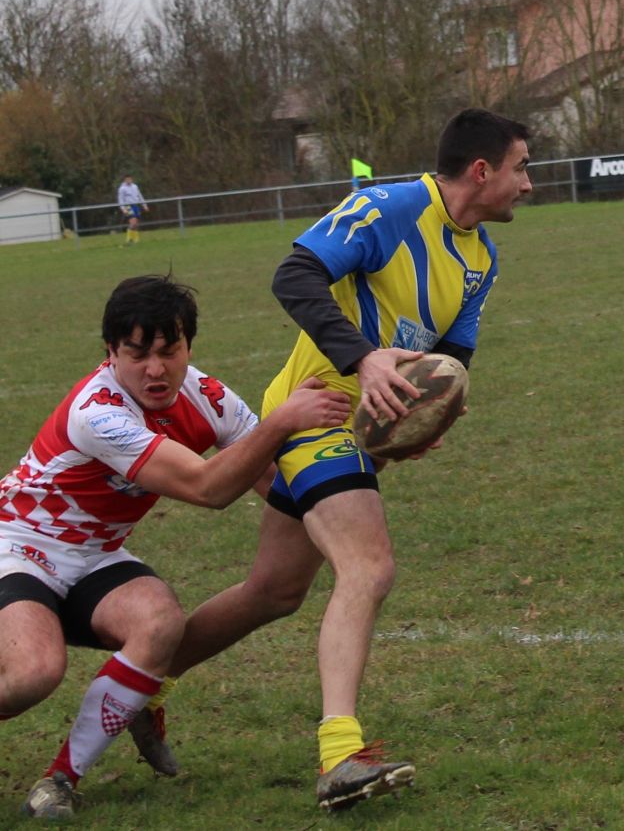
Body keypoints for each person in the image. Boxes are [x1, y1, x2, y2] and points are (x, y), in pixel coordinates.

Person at [131, 108, 531, 812]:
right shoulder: (389, 206)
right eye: (521, 168)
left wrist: (429, 410)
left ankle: (144, 685)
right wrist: (363, 358)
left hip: (359, 433)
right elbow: (294, 275)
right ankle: (340, 754)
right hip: (313, 418)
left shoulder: (480, 259)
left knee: (273, 592)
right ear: (482, 170)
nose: (528, 184)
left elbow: (451, 358)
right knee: (369, 566)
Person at [0, 275, 349, 820]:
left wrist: (366, 462)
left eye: (170, 351)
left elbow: (275, 484)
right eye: (137, 354)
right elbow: (209, 489)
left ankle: (60, 782)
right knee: (32, 674)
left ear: (188, 345)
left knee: (161, 623)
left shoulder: (206, 397)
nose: (156, 370)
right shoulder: (98, 412)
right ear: (110, 352)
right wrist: (281, 421)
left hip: (94, 555)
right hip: (17, 547)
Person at [117, 175, 146, 245]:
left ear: (132, 179)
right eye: (127, 179)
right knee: (133, 223)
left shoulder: (135, 186)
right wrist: (123, 208)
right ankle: (129, 239)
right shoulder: (122, 189)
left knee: (136, 224)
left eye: (130, 179)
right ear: (125, 180)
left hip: (136, 206)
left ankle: (135, 239)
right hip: (128, 207)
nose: (129, 181)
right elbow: (120, 199)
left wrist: (144, 205)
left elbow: (140, 195)